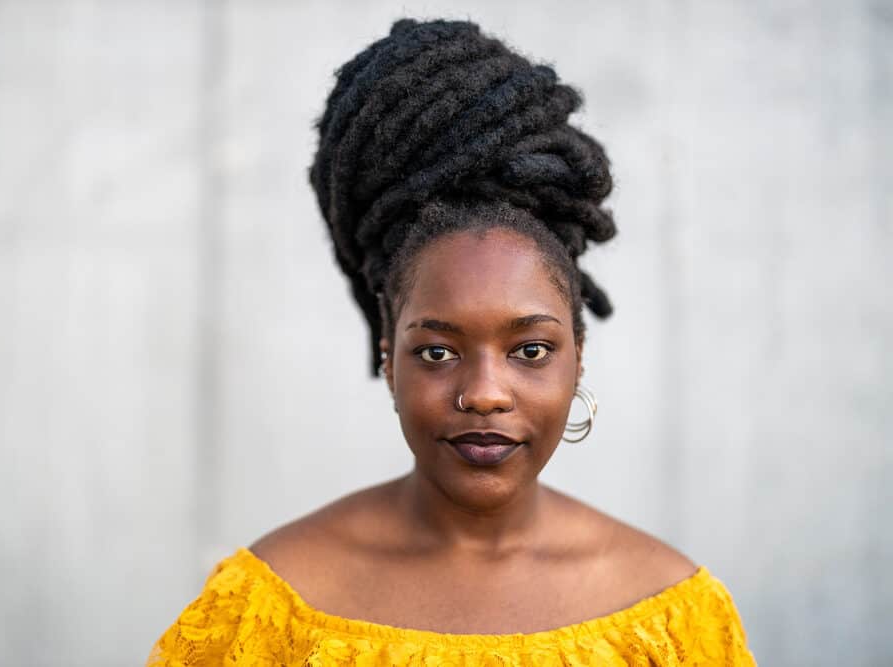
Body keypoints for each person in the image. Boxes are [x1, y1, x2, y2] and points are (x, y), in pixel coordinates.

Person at [147, 17, 756, 666]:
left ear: (579, 352)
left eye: (530, 349)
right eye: (438, 351)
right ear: (388, 353)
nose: (485, 394)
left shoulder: (672, 618)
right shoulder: (270, 612)